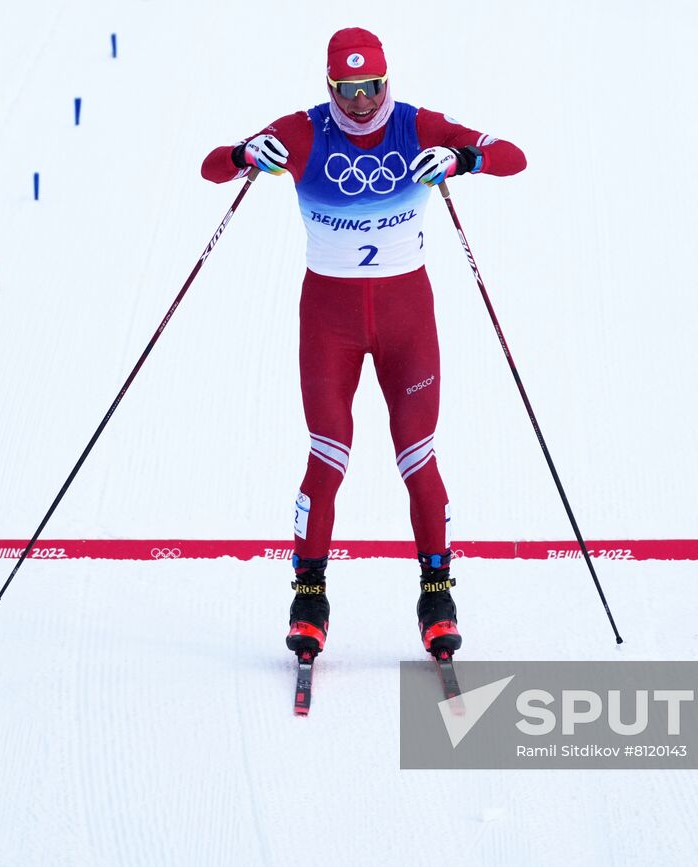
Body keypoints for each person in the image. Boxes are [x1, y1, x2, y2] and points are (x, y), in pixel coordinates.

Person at [201, 27, 526, 660]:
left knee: (419, 461)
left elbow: (512, 154)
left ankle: (437, 598)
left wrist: (466, 160)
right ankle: (309, 598)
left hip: (408, 321)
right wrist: (247, 154)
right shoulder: (301, 131)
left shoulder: (416, 125)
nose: (360, 101)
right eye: (348, 90)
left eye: (372, 86)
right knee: (326, 459)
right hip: (331, 323)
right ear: (330, 87)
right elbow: (212, 167)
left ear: (387, 80)